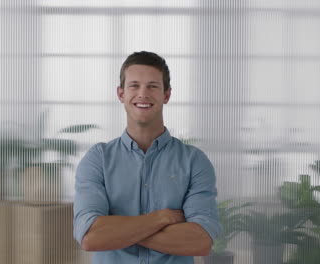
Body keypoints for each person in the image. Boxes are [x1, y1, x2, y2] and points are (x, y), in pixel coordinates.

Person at [73, 51, 221, 264]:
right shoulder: (97, 160)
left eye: (152, 86)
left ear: (166, 95)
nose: (143, 94)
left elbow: (200, 242)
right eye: (134, 85)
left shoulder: (194, 162)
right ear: (121, 94)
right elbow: (91, 238)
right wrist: (163, 218)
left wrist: (118, 232)